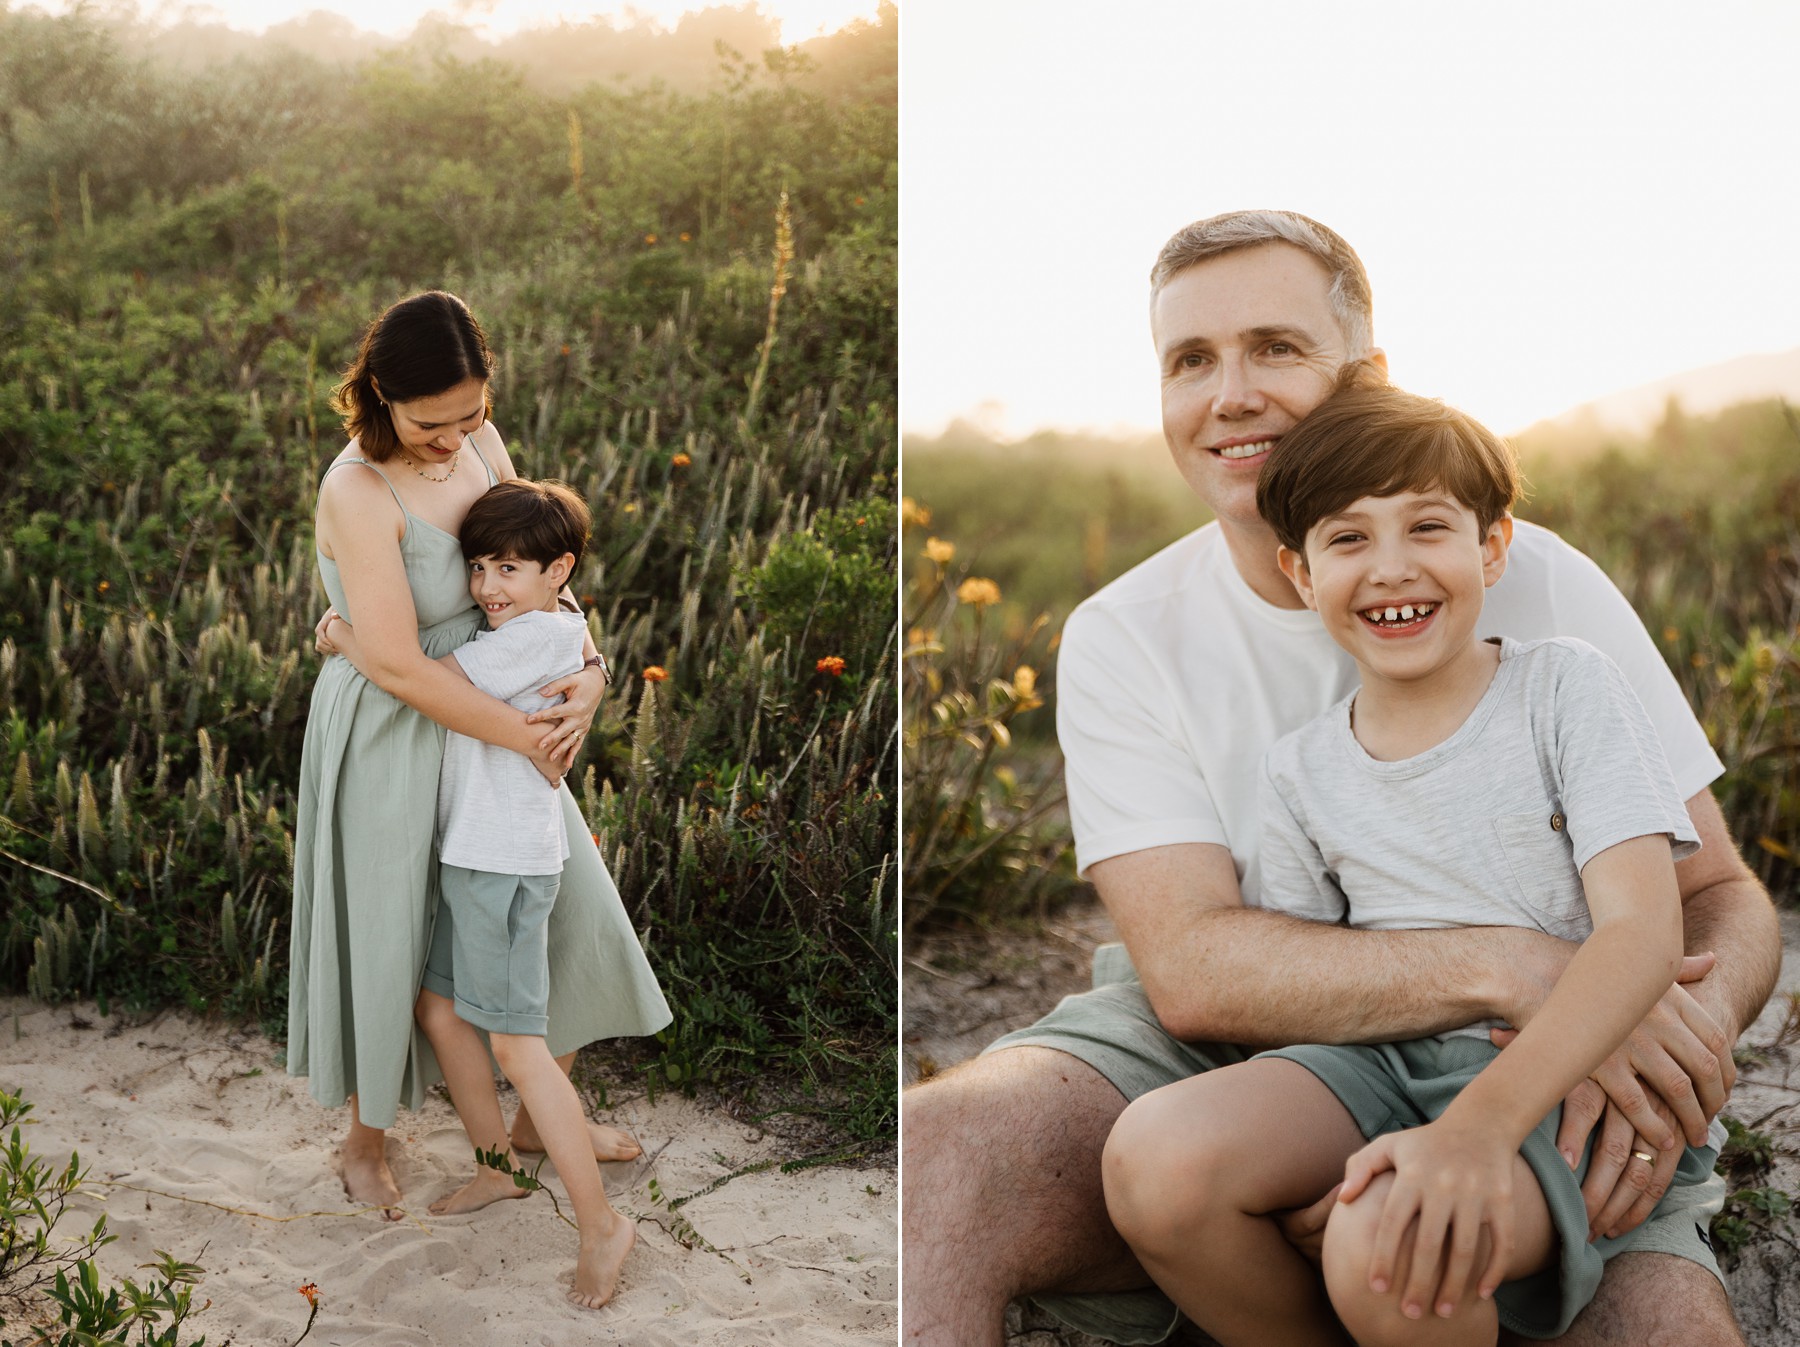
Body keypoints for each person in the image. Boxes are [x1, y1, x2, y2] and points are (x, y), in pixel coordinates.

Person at [900, 212, 1782, 1347]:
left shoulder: (1540, 591)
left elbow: (1718, 892)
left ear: (1367, 375)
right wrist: (1520, 970)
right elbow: (1194, 969)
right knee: (940, 1154)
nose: (1231, 395)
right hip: (1260, 1050)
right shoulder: (1125, 634)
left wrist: (1660, 1048)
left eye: (1275, 346)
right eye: (1191, 361)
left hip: (1559, 1060)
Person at [1103, 371, 1719, 1346]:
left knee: (1389, 1248)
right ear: (1302, 574)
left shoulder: (1565, 689)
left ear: (1492, 547)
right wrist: (1309, 1156)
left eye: (1427, 528)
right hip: (1384, 1065)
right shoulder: (1300, 768)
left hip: (1565, 1080)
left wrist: (1474, 1131)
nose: (1390, 566)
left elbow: (1646, 934)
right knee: (1155, 1159)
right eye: (1349, 538)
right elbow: (1308, 987)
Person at [289, 290, 671, 1218]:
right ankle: (365, 1141)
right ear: (380, 393)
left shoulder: (479, 444)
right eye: (432, 421)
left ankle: (532, 1121)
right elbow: (392, 662)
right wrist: (535, 738)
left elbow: (535, 557)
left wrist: (589, 667)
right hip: (396, 724)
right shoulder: (356, 488)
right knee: (392, 933)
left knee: (566, 907)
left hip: (502, 714)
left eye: (473, 413)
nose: (454, 438)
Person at [325, 477, 639, 1307]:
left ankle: (600, 1223)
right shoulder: (558, 625)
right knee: (438, 1008)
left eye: (509, 569)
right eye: (479, 568)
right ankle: (498, 1167)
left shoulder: (527, 640)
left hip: (502, 865)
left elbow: (416, 673)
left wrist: (341, 635)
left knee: (515, 1045)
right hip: (478, 855)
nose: (488, 588)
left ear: (558, 570)